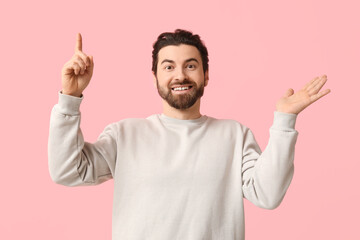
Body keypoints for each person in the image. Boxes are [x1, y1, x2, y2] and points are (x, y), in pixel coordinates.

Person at [48, 29, 330, 240]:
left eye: (190, 66)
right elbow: (67, 171)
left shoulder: (234, 135)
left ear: (206, 75)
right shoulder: (125, 134)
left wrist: (284, 121)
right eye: (168, 66)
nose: (179, 75)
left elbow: (267, 195)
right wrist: (70, 98)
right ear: (155, 77)